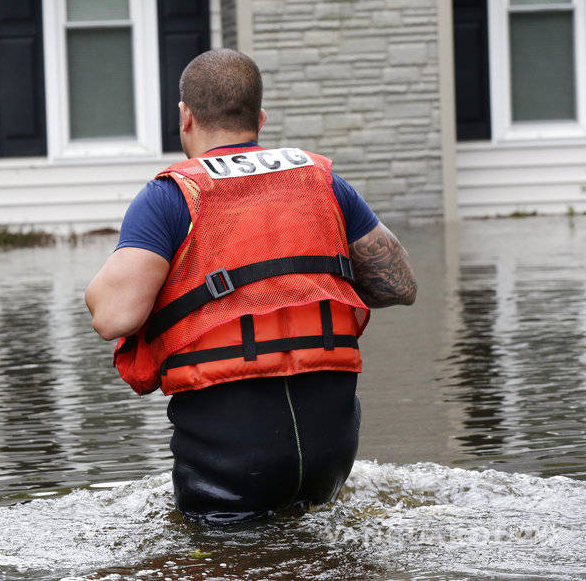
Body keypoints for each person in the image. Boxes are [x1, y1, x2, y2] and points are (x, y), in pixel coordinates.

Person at [84, 48, 417, 526]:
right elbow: (399, 285)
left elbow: (114, 316)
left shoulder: (170, 196)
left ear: (185, 117)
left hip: (231, 457)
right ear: (259, 118)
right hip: (331, 451)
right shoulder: (323, 181)